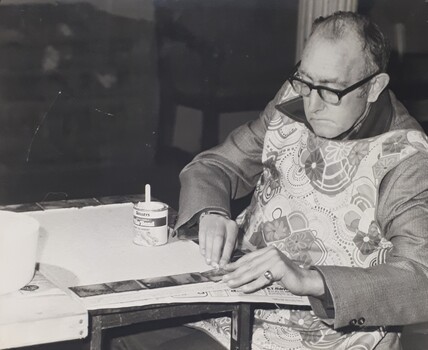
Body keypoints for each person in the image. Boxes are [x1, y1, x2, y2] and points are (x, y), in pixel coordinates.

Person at [112, 11, 428, 350]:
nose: (312, 104)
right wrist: (212, 213)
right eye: (306, 82)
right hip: (235, 299)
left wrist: (310, 279)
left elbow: (420, 278)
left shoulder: (406, 157)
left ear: (374, 87)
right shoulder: (293, 101)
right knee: (115, 334)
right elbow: (215, 166)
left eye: (331, 90)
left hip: (324, 332)